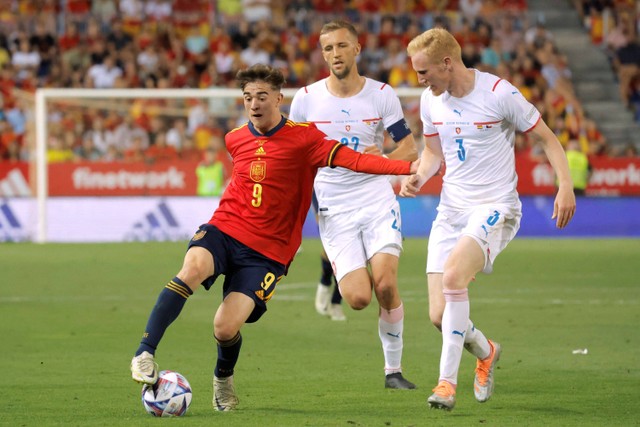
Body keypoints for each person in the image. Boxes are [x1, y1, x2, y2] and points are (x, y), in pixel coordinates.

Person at [130, 64, 418, 412]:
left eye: (262, 97)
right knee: (192, 267)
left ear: (279, 99)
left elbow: (355, 161)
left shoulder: (305, 138)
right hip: (225, 227)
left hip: (267, 253)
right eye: (248, 97)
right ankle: (144, 353)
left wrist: (410, 168)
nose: (254, 104)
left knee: (224, 327)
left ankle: (223, 378)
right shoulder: (235, 138)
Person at [400, 28, 576, 411]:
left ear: (447, 63)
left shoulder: (500, 94)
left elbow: (547, 138)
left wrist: (565, 185)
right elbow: (433, 154)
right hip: (451, 210)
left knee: (453, 278)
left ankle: (446, 384)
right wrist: (418, 176)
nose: (420, 80)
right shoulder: (432, 103)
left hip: (495, 206)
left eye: (424, 71)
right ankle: (486, 350)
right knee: (438, 315)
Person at [289, 20, 419, 390]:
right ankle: (345, 269)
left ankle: (392, 372)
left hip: (377, 198)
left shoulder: (381, 95)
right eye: (328, 48)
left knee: (386, 285)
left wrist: (386, 153)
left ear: (357, 49)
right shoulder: (307, 99)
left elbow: (408, 149)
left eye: (341, 46)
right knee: (359, 298)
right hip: (334, 206)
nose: (335, 55)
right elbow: (293, 154)